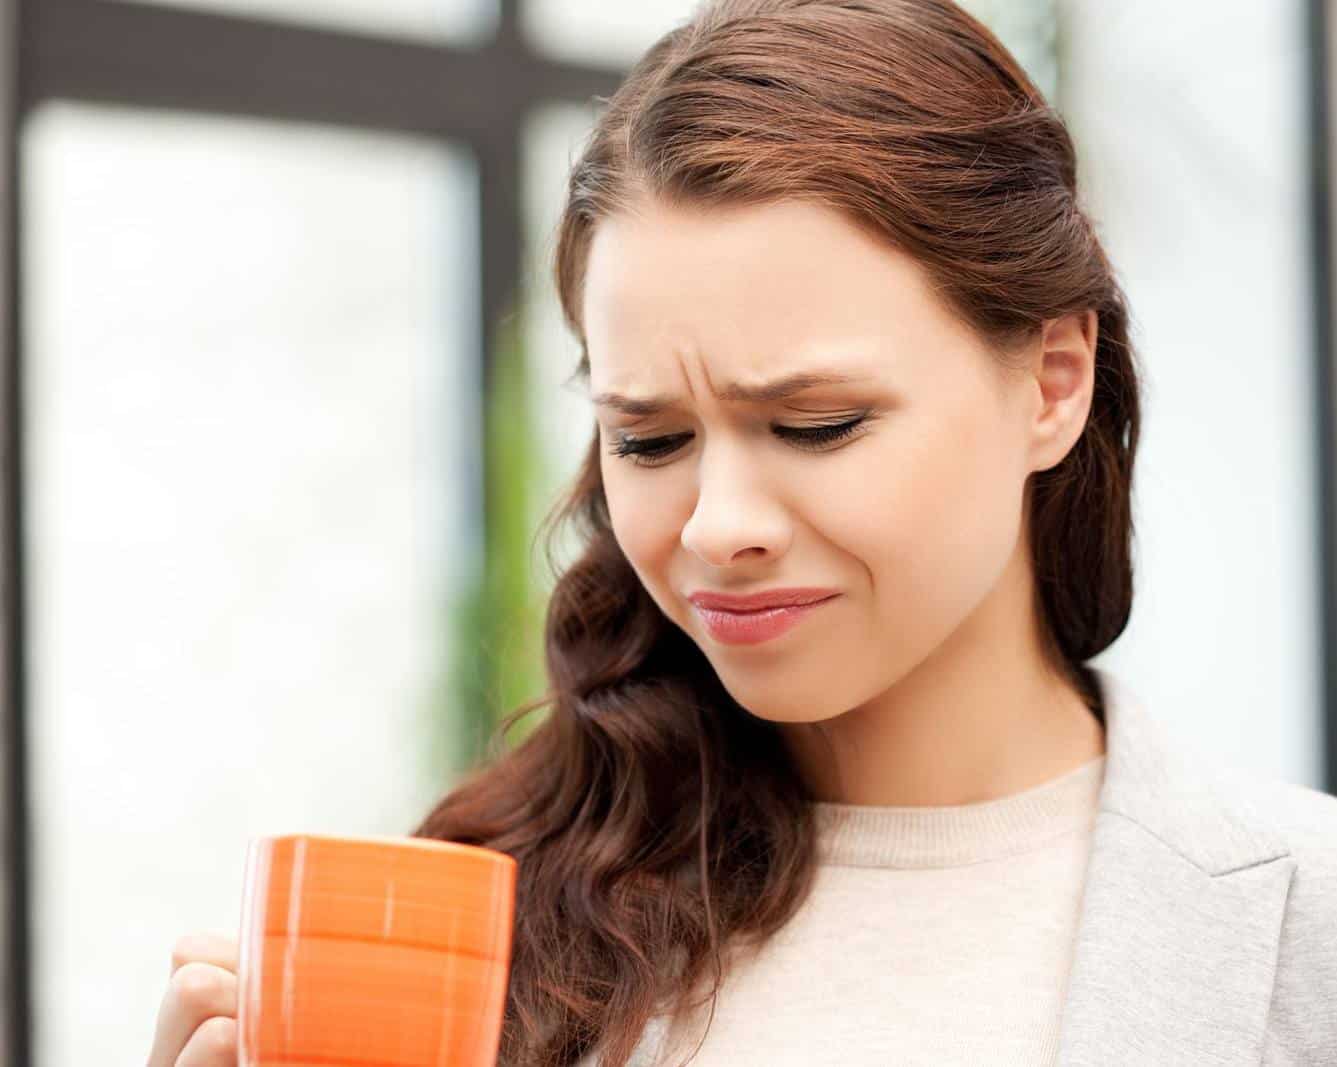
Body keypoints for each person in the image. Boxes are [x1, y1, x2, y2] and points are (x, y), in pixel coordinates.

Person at [147, 0, 1337, 1064]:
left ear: (1051, 382)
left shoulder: (1306, 926)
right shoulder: (487, 919)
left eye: (815, 423)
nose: (717, 529)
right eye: (650, 441)